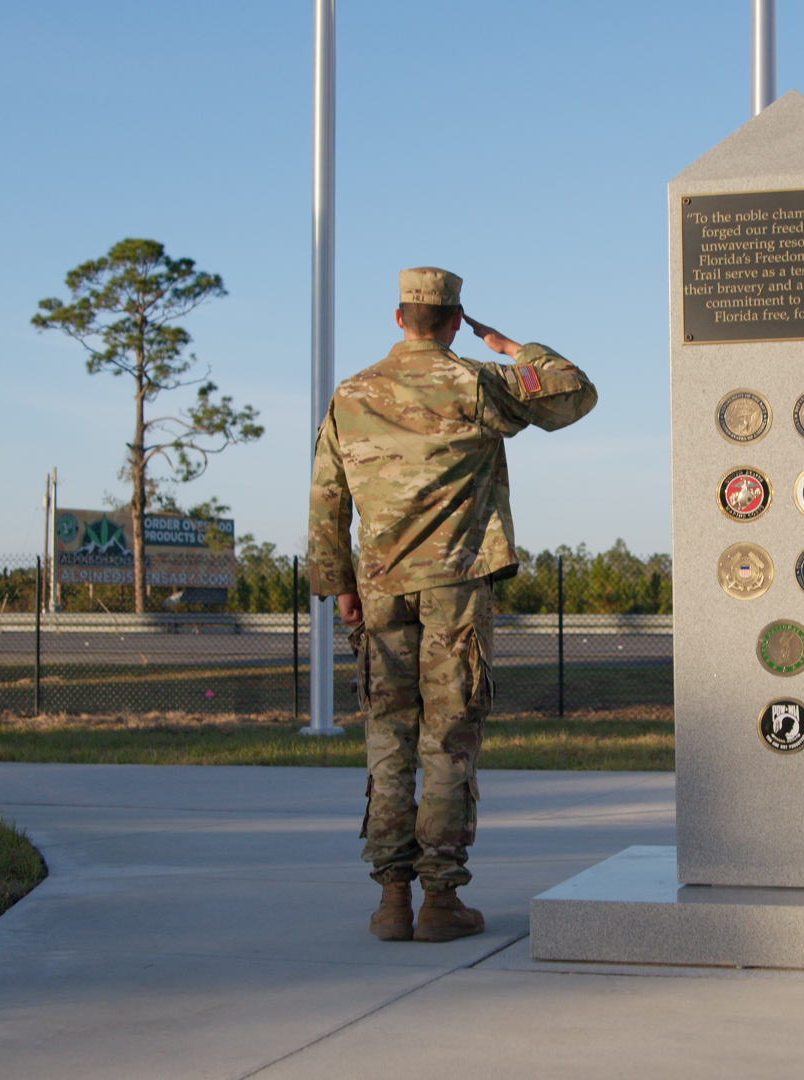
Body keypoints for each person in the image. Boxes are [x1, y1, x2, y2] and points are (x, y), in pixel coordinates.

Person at [307, 267, 598, 942]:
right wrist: (512, 348)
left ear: (398, 317)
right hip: (456, 588)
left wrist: (340, 584)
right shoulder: (475, 381)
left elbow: (326, 494)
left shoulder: (351, 393)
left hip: (380, 590)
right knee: (448, 736)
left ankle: (390, 901)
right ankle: (441, 900)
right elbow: (575, 392)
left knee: (388, 736)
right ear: (453, 319)